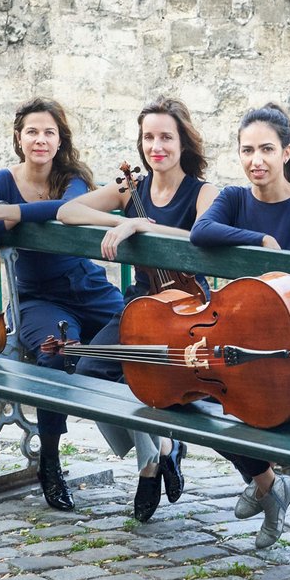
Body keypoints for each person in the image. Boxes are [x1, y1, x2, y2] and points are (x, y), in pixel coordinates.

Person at [56, 96, 219, 522]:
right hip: (141, 306)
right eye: (149, 137)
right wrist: (121, 220)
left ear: (183, 142)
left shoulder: (204, 192)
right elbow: (69, 211)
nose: (156, 146)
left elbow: (199, 235)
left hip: (187, 311)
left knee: (151, 382)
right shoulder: (132, 189)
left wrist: (141, 225)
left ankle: (149, 468)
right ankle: (162, 449)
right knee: (91, 374)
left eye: (166, 136)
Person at [0, 97, 124, 512]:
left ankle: (158, 454)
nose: (40, 139)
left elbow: (68, 209)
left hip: (89, 289)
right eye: (32, 131)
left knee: (142, 335)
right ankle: (50, 459)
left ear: (59, 139)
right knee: (53, 355)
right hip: (40, 299)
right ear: (19, 137)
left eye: (49, 132)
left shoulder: (74, 178)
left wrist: (11, 213)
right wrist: (3, 214)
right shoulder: (1, 179)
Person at [188, 102, 290, 549]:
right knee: (199, 402)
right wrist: (260, 240)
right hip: (241, 336)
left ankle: (268, 486)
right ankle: (272, 486)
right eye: (247, 150)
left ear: (287, 152)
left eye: (267, 149)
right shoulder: (234, 200)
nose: (256, 160)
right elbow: (201, 232)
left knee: (241, 404)